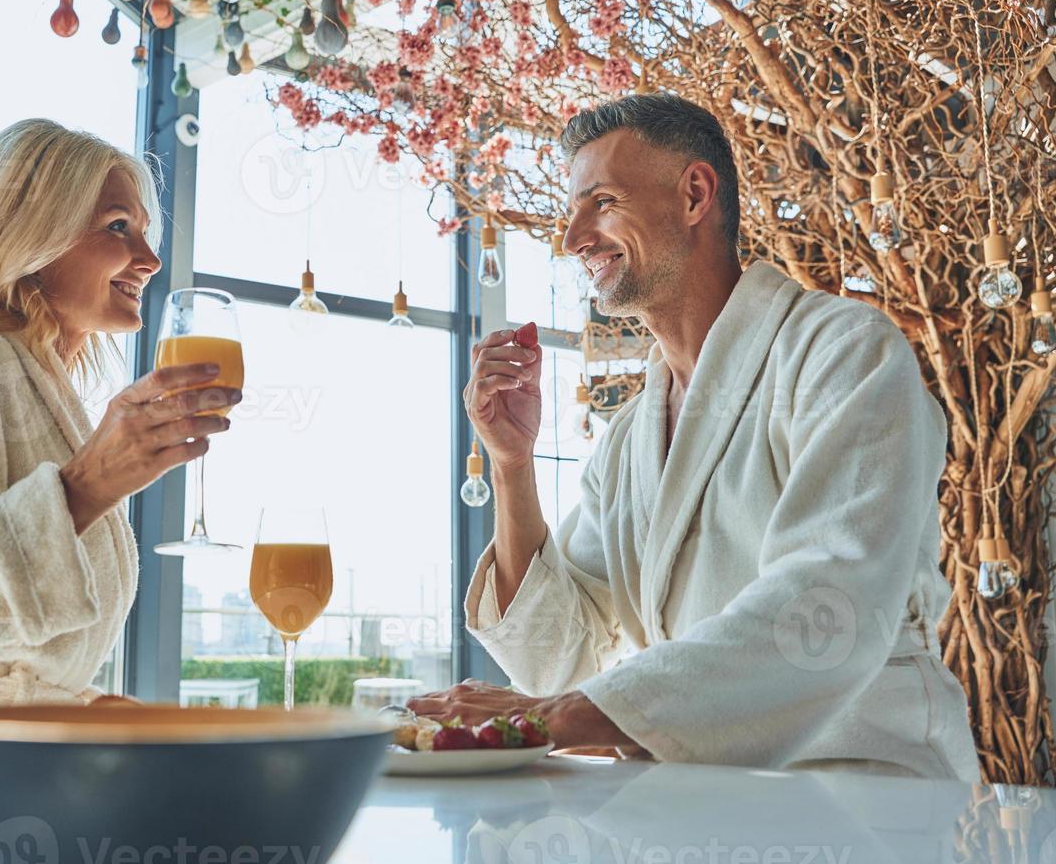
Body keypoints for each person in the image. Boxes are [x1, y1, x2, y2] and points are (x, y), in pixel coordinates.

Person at [410, 95, 977, 779]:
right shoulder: (628, 440)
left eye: (602, 202)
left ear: (694, 195)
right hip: (691, 800)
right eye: (574, 211)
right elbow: (561, 654)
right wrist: (510, 464)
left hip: (865, 794)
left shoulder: (844, 354)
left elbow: (828, 603)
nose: (573, 238)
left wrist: (558, 716)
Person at [0, 118, 234, 705]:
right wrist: (83, 489)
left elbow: (12, 667)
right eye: (118, 227)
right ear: (32, 236)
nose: (151, 260)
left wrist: (85, 708)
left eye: (143, 231)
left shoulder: (32, 381)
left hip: (9, 761)